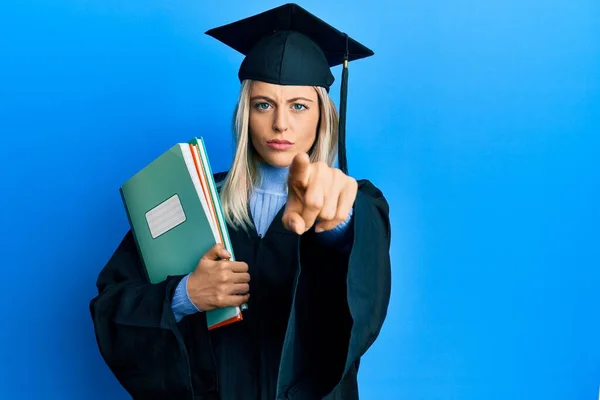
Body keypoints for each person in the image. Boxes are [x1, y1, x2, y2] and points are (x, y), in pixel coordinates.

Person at [89, 3, 392, 400]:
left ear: (324, 116)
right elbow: (111, 307)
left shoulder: (352, 201)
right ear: (245, 113)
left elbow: (360, 280)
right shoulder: (196, 196)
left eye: (299, 106)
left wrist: (335, 224)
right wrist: (185, 296)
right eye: (263, 104)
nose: (280, 123)